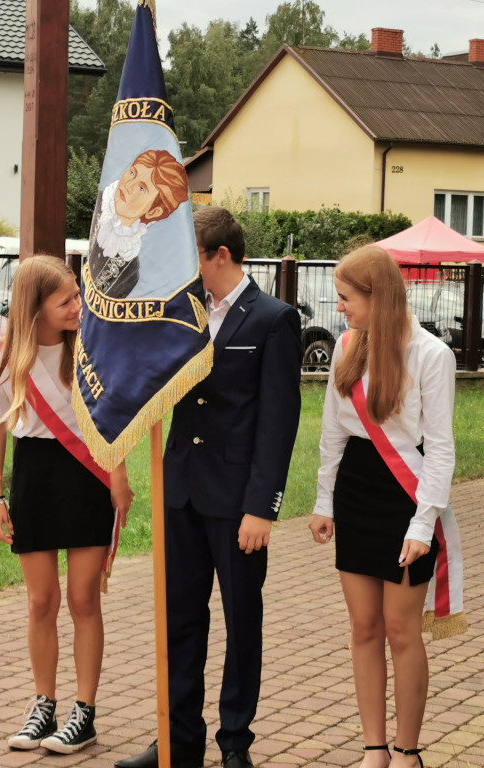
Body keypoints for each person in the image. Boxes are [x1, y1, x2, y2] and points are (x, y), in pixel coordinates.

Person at [114, 206, 302, 768]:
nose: (181, 268)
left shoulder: (272, 318)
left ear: (219, 255)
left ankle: (235, 744)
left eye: (188, 256)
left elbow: (278, 423)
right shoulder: (181, 315)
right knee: (179, 620)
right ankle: (178, 740)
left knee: (242, 623)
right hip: (183, 492)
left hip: (238, 500)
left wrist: (262, 508)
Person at [0, 255, 134, 755]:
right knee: (41, 601)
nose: (77, 306)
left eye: (76, 295)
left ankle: (83, 713)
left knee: (84, 599)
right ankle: (43, 704)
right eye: (64, 299)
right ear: (35, 307)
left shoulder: (91, 347)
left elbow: (116, 416)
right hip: (36, 475)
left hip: (89, 474)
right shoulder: (6, 352)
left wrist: (120, 477)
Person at [309, 245, 456, 768]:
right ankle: (374, 748)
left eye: (347, 298)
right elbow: (332, 433)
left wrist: (423, 525)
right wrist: (324, 501)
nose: (340, 309)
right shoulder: (348, 347)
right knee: (363, 628)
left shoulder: (432, 354)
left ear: (378, 296)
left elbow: (440, 449)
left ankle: (407, 750)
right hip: (357, 491)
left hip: (405, 496)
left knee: (401, 630)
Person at [88, 149, 189, 298]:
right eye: (132, 173)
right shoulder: (102, 203)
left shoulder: (131, 270)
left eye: (141, 188)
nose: (128, 185)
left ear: (153, 212)